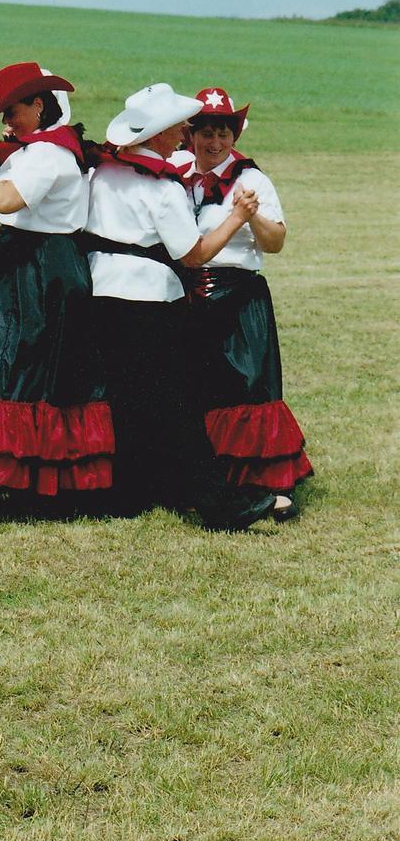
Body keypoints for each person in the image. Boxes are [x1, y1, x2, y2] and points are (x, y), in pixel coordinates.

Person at [83, 82, 276, 531]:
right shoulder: (165, 187)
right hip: (148, 297)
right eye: (178, 127)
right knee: (177, 402)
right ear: (157, 134)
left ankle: (129, 493)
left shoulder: (104, 172)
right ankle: (216, 503)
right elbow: (192, 254)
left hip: (101, 289)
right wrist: (234, 219)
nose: (185, 133)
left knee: (124, 396)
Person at [0, 62, 114, 509]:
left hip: (39, 267)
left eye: (12, 110)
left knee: (19, 368)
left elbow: (4, 199)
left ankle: (7, 482)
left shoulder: (50, 155)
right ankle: (6, 477)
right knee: (17, 368)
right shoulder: (39, 150)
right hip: (33, 261)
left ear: (39, 105)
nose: (6, 121)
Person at [181, 87, 312, 520]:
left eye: (222, 133)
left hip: (237, 293)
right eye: (206, 133)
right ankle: (206, 480)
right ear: (191, 134)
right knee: (199, 386)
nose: (214, 143)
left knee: (248, 386)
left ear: (233, 136)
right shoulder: (177, 170)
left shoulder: (252, 180)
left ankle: (267, 484)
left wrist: (250, 214)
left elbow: (275, 243)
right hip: (187, 292)